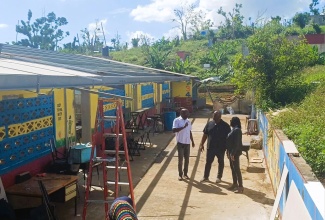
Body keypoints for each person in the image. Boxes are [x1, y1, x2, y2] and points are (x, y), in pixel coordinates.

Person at [199, 110, 231, 183]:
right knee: (208, 162)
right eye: (213, 115)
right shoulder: (209, 124)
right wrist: (201, 144)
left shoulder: (225, 126)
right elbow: (205, 134)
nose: (213, 117)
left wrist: (228, 148)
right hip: (211, 147)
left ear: (220, 116)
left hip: (221, 148)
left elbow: (229, 138)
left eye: (215, 116)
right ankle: (206, 177)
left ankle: (219, 177)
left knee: (221, 162)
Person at [172, 108, 195, 181]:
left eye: (188, 113)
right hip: (180, 143)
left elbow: (189, 131)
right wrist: (183, 127)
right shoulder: (177, 120)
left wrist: (192, 141)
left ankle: (185, 174)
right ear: (182, 113)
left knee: (187, 160)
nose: (187, 115)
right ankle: (180, 175)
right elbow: (174, 130)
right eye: (186, 113)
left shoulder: (188, 121)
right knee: (180, 159)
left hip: (187, 143)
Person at [226, 116, 244, 193]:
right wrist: (228, 151)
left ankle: (240, 186)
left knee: (236, 169)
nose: (230, 121)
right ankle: (235, 183)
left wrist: (233, 153)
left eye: (231, 120)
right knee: (233, 169)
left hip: (235, 153)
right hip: (231, 152)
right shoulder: (233, 129)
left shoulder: (237, 130)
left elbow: (236, 144)